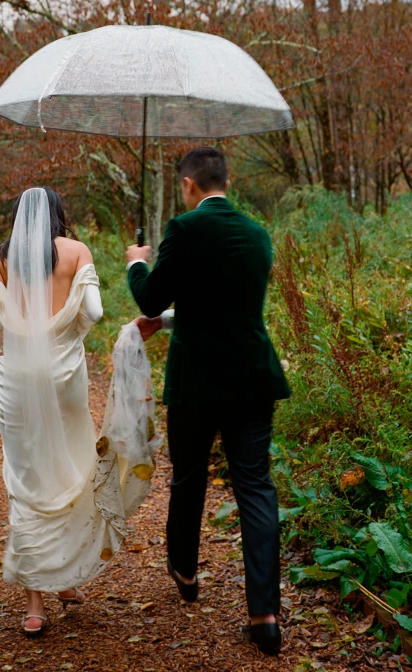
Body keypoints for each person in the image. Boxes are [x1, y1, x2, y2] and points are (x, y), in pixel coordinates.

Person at [0, 187, 158, 637]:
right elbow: (94, 310)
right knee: (71, 471)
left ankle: (36, 603)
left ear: (18, 219)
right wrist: (71, 323)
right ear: (58, 214)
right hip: (65, 379)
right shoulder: (75, 251)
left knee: (26, 480)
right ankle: (65, 578)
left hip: (17, 383)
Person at [125, 147, 290, 656]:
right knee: (256, 486)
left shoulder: (183, 230)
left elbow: (152, 297)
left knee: (189, 476)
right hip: (251, 377)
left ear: (191, 185)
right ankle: (264, 615)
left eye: (182, 187)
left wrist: (137, 265)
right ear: (227, 180)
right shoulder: (258, 236)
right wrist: (174, 319)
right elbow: (227, 306)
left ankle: (185, 570)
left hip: (197, 380)